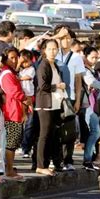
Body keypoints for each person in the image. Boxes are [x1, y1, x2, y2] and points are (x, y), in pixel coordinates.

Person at [53, 25, 86, 171]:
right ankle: (56, 159)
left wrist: (78, 99)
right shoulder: (52, 54)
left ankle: (68, 159)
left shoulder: (77, 57)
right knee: (55, 130)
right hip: (53, 97)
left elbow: (78, 81)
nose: (65, 41)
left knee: (70, 131)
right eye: (62, 38)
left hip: (70, 97)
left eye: (68, 38)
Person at [35, 40, 66, 176]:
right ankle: (40, 165)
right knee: (44, 135)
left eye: (55, 49)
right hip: (45, 104)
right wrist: (57, 87)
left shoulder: (55, 65)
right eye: (50, 49)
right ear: (44, 50)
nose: (53, 52)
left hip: (55, 103)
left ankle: (46, 164)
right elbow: (43, 86)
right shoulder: (44, 65)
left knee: (51, 136)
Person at [0, 47, 29, 180]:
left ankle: (10, 168)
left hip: (16, 110)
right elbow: (14, 91)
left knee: (14, 142)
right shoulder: (7, 74)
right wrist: (25, 99)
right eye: (11, 57)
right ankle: (9, 170)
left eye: (16, 57)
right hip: (12, 111)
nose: (14, 60)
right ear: (5, 59)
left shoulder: (12, 73)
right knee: (11, 143)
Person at [82, 46, 100, 171]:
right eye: (92, 57)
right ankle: (87, 160)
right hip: (89, 105)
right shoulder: (85, 71)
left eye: (96, 57)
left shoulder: (94, 71)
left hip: (96, 105)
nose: (95, 60)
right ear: (85, 57)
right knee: (94, 132)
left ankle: (89, 159)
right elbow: (93, 83)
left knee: (95, 132)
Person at [18, 49, 36, 158]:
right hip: (20, 98)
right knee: (21, 122)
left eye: (26, 61)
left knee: (29, 123)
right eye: (22, 61)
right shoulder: (19, 70)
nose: (25, 63)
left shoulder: (32, 69)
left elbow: (28, 77)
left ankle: (26, 148)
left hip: (29, 97)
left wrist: (18, 78)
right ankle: (22, 145)